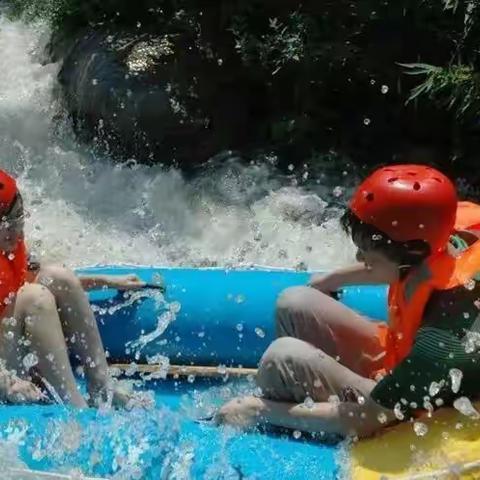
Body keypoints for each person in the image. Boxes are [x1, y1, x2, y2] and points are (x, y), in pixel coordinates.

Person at [216, 164, 480, 438]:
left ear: (411, 253)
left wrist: (259, 410)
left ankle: (294, 411)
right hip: (403, 359)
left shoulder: (443, 341)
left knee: (280, 360)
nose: (358, 259)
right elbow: (395, 266)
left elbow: (370, 418)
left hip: (409, 410)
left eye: (367, 254)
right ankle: (301, 396)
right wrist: (331, 280)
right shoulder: (440, 229)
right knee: (293, 302)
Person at [0, 169, 146, 408]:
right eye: (10, 222)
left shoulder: (9, 247)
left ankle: (102, 387)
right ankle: (75, 407)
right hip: (5, 372)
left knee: (59, 277)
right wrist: (7, 383)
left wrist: (107, 282)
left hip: (10, 350)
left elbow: (29, 276)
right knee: (35, 297)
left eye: (20, 218)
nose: (18, 230)